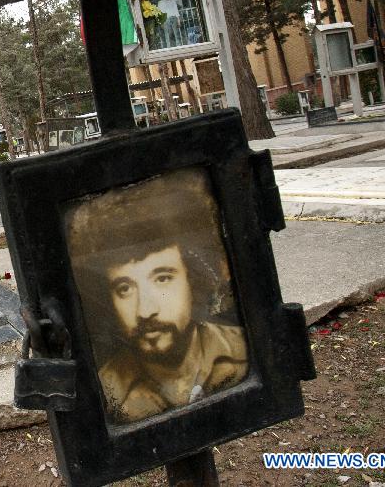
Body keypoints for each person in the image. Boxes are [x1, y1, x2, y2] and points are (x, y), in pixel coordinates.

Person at [65, 169, 248, 423]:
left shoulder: (242, 352)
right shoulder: (106, 391)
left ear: (192, 280)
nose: (145, 310)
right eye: (125, 289)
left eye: (162, 278)